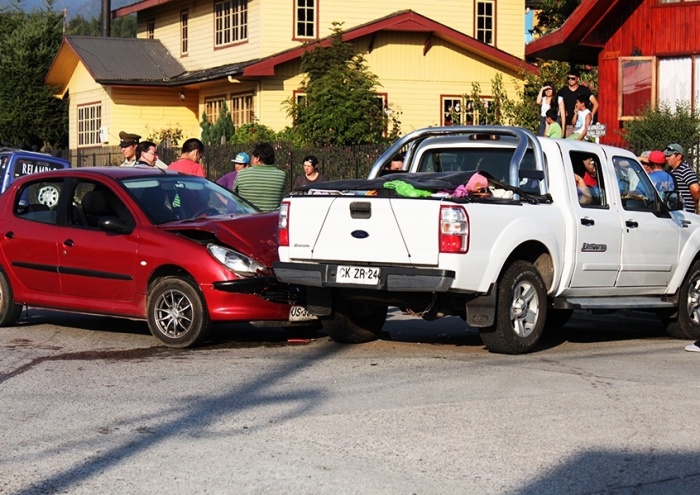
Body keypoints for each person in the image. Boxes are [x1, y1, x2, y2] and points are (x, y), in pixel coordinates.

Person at [233, 142, 286, 212]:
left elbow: (233, 196)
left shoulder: (242, 174)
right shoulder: (281, 175)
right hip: (270, 219)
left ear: (257, 158)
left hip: (245, 219)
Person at [557, 69, 599, 137]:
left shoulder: (584, 90)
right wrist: (560, 111)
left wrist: (590, 116)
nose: (570, 80)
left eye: (572, 78)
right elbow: (556, 103)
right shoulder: (563, 91)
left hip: (582, 125)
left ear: (578, 79)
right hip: (568, 125)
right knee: (569, 144)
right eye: (568, 78)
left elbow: (596, 104)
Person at [665, 143, 699, 214]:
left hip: (686, 213)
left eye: (669, 156)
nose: (666, 158)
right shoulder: (672, 170)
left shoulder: (685, 170)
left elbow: (696, 190)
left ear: (679, 156)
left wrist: (695, 205)